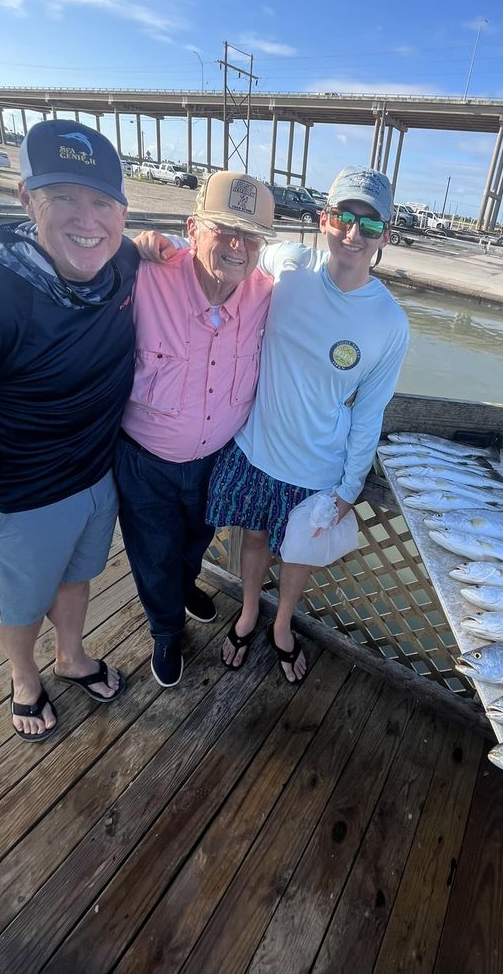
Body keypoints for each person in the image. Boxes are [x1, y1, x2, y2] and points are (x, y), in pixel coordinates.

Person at [0, 119, 135, 741]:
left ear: (122, 211)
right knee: (20, 604)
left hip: (95, 477)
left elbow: (156, 250)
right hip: (19, 496)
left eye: (102, 201)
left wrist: (160, 244)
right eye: (63, 197)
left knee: (79, 579)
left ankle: (72, 655)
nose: (88, 219)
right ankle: (24, 678)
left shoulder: (123, 262)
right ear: (27, 200)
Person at [207, 166, 410, 683]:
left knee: (296, 556)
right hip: (257, 447)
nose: (353, 233)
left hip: (319, 464)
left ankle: (281, 624)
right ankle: (249, 611)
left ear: (385, 235)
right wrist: (153, 248)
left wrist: (350, 486)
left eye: (369, 224)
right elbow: (223, 256)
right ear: (324, 220)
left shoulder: (389, 322)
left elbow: (369, 411)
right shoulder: (287, 264)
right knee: (252, 539)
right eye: (344, 216)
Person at [116, 173, 276, 688]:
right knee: (153, 553)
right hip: (145, 459)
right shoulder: (145, 276)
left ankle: (184, 587)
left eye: (251, 235)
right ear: (192, 228)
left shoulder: (267, 294)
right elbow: (78, 264)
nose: (237, 245)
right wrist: (129, 247)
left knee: (196, 541)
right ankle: (165, 631)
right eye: (224, 229)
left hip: (217, 459)